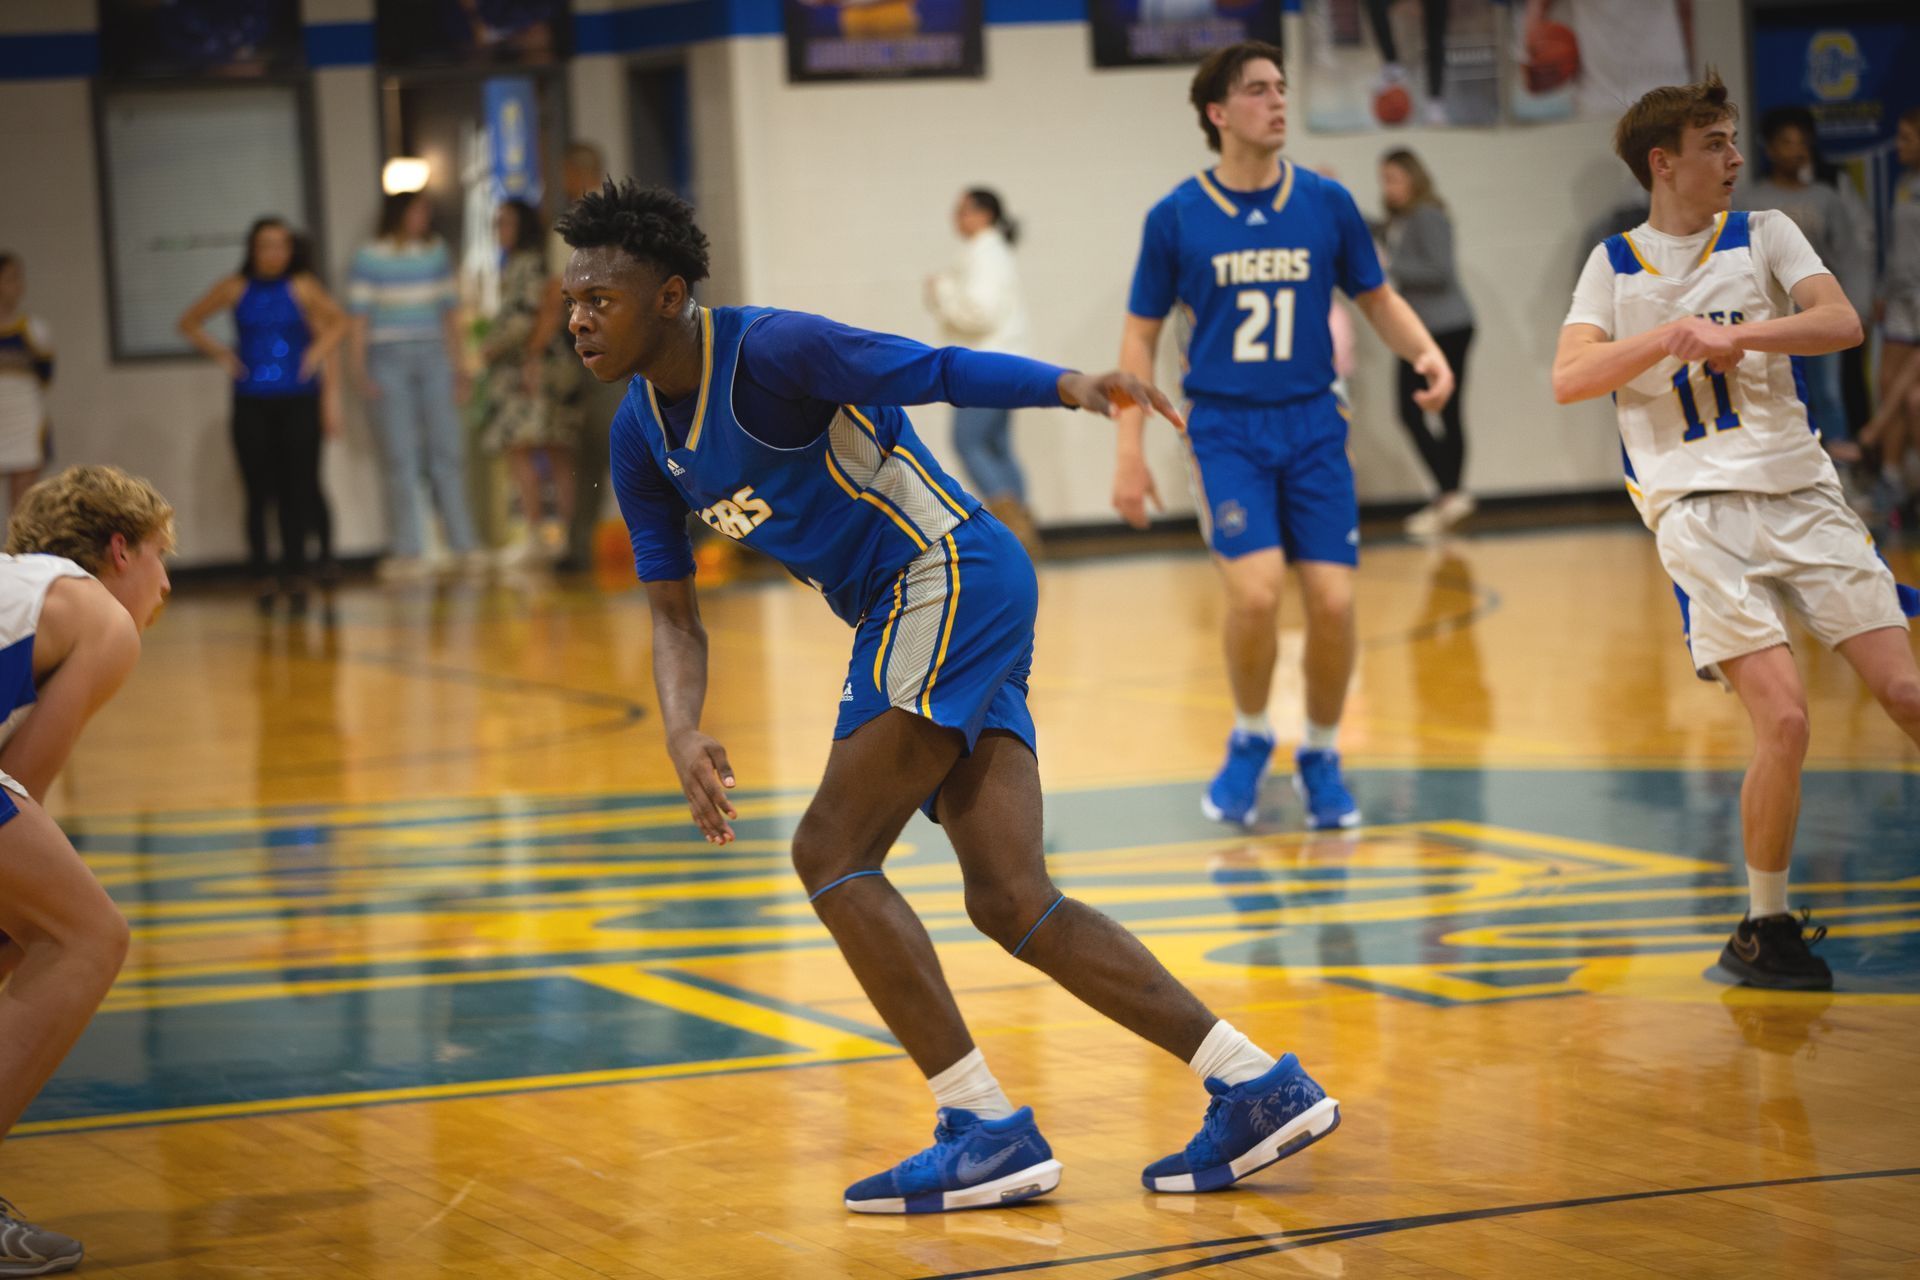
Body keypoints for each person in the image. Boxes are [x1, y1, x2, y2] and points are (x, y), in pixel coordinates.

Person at [559, 179, 1342, 1213]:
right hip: (933, 595)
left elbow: (932, 367)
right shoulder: (637, 435)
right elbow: (671, 610)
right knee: (1011, 896)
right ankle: (1253, 1080)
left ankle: (982, 1125)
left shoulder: (775, 350)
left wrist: (1072, 385)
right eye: (571, 299)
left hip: (944, 571)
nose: (577, 318)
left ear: (667, 296)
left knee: (829, 852)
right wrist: (681, 725)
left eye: (599, 298)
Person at [1552, 73, 1920, 990]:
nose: (1734, 158)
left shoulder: (1766, 233)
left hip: (1802, 492)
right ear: (1663, 162)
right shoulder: (1614, 262)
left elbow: (1838, 323)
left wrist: (1741, 338)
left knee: (1906, 692)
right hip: (1694, 511)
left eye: (1734, 139)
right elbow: (1570, 377)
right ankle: (1764, 925)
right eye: (1715, 143)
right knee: (1786, 720)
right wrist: (1671, 335)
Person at [1112, 41, 1454, 832]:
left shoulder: (1325, 204)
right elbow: (1137, 340)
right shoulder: (1177, 216)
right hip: (1226, 429)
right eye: (1259, 90)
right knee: (1258, 592)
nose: (1278, 101)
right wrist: (1128, 451)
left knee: (1334, 603)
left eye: (1281, 87)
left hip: (1312, 425)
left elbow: (1375, 296)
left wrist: (1425, 351)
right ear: (1217, 113)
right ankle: (1251, 733)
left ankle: (1323, 753)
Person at [0, 465, 174, 1275]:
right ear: (118, 550)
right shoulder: (101, 618)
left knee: (34, 928)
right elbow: (21, 785)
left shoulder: (29, 598)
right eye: (160, 556)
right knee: (86, 937)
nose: (167, 582)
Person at [178, 218, 346, 612]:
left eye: (281, 245)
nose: (274, 253)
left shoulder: (302, 286)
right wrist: (223, 355)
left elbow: (338, 322)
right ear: (253, 249)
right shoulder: (235, 287)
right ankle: (262, 572)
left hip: (297, 399)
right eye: (266, 245)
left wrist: (314, 355)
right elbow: (189, 321)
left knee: (298, 487)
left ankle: (297, 570)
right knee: (258, 490)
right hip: (252, 399)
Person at [348, 190, 483, 579]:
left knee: (448, 451)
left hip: (435, 356)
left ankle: (464, 544)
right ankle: (409, 550)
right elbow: (358, 317)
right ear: (399, 213)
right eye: (418, 210)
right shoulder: (369, 256)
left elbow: (450, 314)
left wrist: (461, 367)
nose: (424, 217)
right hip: (386, 359)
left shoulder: (436, 252)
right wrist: (360, 370)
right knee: (400, 456)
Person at [1735, 108, 1868, 459]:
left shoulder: (1826, 198)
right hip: (1770, 315)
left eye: (1802, 142)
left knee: (1828, 391)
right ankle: (1784, 461)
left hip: (1817, 309)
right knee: (1777, 386)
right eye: (1786, 142)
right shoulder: (1749, 200)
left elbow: (1848, 256)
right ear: (1770, 148)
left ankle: (1839, 471)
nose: (1796, 150)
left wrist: (1856, 304)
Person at [925, 187, 1040, 554]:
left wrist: (942, 292)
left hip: (985, 365)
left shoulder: (985, 254)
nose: (956, 218)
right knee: (997, 446)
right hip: (1004, 363)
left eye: (963, 211)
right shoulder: (991, 252)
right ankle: (1022, 530)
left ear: (985, 215)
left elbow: (980, 313)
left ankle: (1014, 527)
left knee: (968, 441)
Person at [534, 142, 628, 573]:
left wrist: (534, 349)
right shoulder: (628, 220)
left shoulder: (575, 224)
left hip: (594, 347)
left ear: (575, 173)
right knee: (619, 440)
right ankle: (578, 545)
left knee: (600, 443)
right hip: (632, 342)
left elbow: (558, 294)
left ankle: (578, 547)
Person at [1377, 148, 1476, 536]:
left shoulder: (1429, 215)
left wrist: (1389, 266)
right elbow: (1370, 229)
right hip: (1421, 331)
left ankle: (1450, 495)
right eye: (1384, 179)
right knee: (1412, 411)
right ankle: (1449, 495)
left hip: (1447, 327)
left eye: (1394, 178)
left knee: (1444, 411)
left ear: (1414, 179)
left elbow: (1440, 269)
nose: (1388, 187)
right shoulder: (1398, 221)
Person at [479, 199, 578, 565]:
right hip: (538, 364)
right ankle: (550, 535)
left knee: (537, 448)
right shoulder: (518, 265)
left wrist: (491, 347)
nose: (498, 232)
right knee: (543, 448)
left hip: (534, 365)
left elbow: (526, 315)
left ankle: (549, 534)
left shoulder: (528, 265)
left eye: (504, 223)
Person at [1862, 108, 1920, 510]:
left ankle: (1875, 435)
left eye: (1905, 138)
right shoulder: (1904, 183)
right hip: (1899, 297)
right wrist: (1882, 288)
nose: (1898, 146)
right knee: (1887, 385)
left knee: (1910, 396)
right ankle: (1892, 479)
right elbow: (1898, 246)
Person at [0, 254, 53, 508]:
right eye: (10, 278)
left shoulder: (34, 329)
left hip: (24, 416)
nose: (18, 285)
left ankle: (19, 548)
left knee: (24, 502)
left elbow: (46, 373)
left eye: (19, 278)